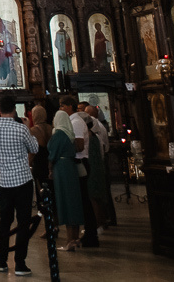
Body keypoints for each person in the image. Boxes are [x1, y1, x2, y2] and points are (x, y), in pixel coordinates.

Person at [0, 95, 37, 276]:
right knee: (23, 222)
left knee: (4, 221)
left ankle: (1, 261)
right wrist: (28, 127)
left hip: (4, 181)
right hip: (22, 180)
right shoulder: (21, 129)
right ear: (15, 109)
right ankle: (20, 263)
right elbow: (34, 148)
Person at [62, 94, 99, 247]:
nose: (60, 109)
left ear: (70, 106)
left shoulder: (76, 122)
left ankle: (91, 235)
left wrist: (62, 148)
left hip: (79, 163)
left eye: (62, 106)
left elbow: (79, 145)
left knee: (83, 200)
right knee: (82, 200)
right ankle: (89, 234)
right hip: (76, 163)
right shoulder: (72, 121)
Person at [49, 108, 84, 250]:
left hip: (61, 169)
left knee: (66, 202)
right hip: (70, 167)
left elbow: (52, 154)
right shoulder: (70, 134)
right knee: (74, 201)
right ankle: (75, 238)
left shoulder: (59, 134)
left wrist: (50, 169)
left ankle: (70, 240)